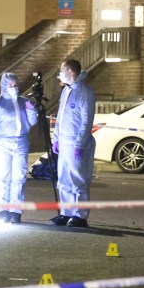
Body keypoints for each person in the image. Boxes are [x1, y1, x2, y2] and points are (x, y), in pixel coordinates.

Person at [0, 72, 38, 224]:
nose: (13, 88)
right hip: (1, 144)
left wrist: (31, 109)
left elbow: (32, 121)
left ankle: (15, 211)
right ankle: (2, 210)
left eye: (15, 85)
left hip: (20, 143)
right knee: (1, 177)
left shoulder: (23, 101)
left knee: (18, 177)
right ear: (3, 85)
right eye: (10, 85)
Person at [49, 59, 95, 228]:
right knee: (64, 179)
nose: (59, 73)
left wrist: (80, 144)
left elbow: (86, 121)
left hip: (76, 143)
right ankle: (66, 212)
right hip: (64, 142)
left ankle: (80, 215)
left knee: (78, 179)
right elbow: (60, 117)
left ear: (70, 71)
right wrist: (56, 138)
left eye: (62, 70)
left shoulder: (84, 92)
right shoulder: (66, 91)